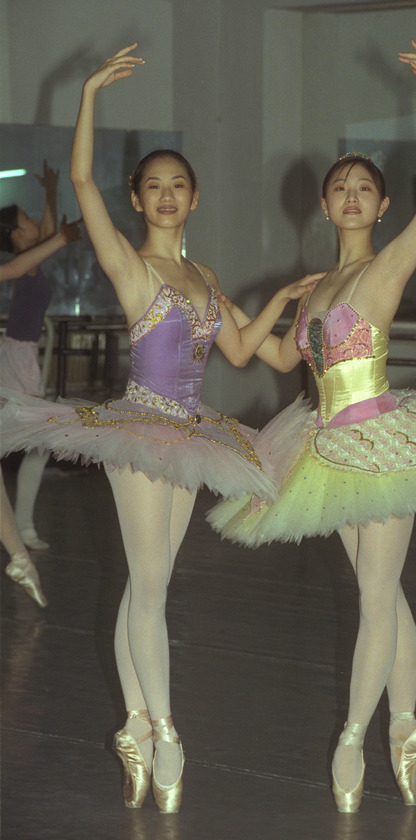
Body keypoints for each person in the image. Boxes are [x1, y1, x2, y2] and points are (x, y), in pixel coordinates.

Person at [208, 41, 416, 812]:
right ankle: (407, 723)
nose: (353, 195)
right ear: (323, 207)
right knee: (384, 598)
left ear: (382, 206)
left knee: (373, 595)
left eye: (365, 187)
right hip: (324, 445)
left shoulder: (386, 268)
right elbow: (267, 353)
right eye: (340, 187)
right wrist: (221, 298)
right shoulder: (314, 289)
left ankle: (352, 737)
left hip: (383, 440)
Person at [0, 44, 321, 814]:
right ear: (138, 202)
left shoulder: (205, 280)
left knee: (150, 589)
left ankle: (134, 727)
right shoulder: (131, 267)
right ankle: (168, 730)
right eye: (153, 187)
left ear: (195, 198)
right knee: (150, 591)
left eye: (179, 185)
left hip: (193, 433)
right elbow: (80, 180)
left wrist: (293, 305)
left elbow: (249, 350)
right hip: (141, 430)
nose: (167, 195)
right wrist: (87, 95)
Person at [1, 211, 81, 604]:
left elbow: (46, 237)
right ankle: (22, 532)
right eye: (26, 220)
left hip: (21, 357)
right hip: (16, 360)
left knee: (37, 442)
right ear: (16, 234)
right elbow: (33, 252)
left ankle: (22, 532)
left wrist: (52, 201)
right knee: (37, 440)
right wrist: (62, 237)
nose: (35, 222)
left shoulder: (29, 261)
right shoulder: (21, 266)